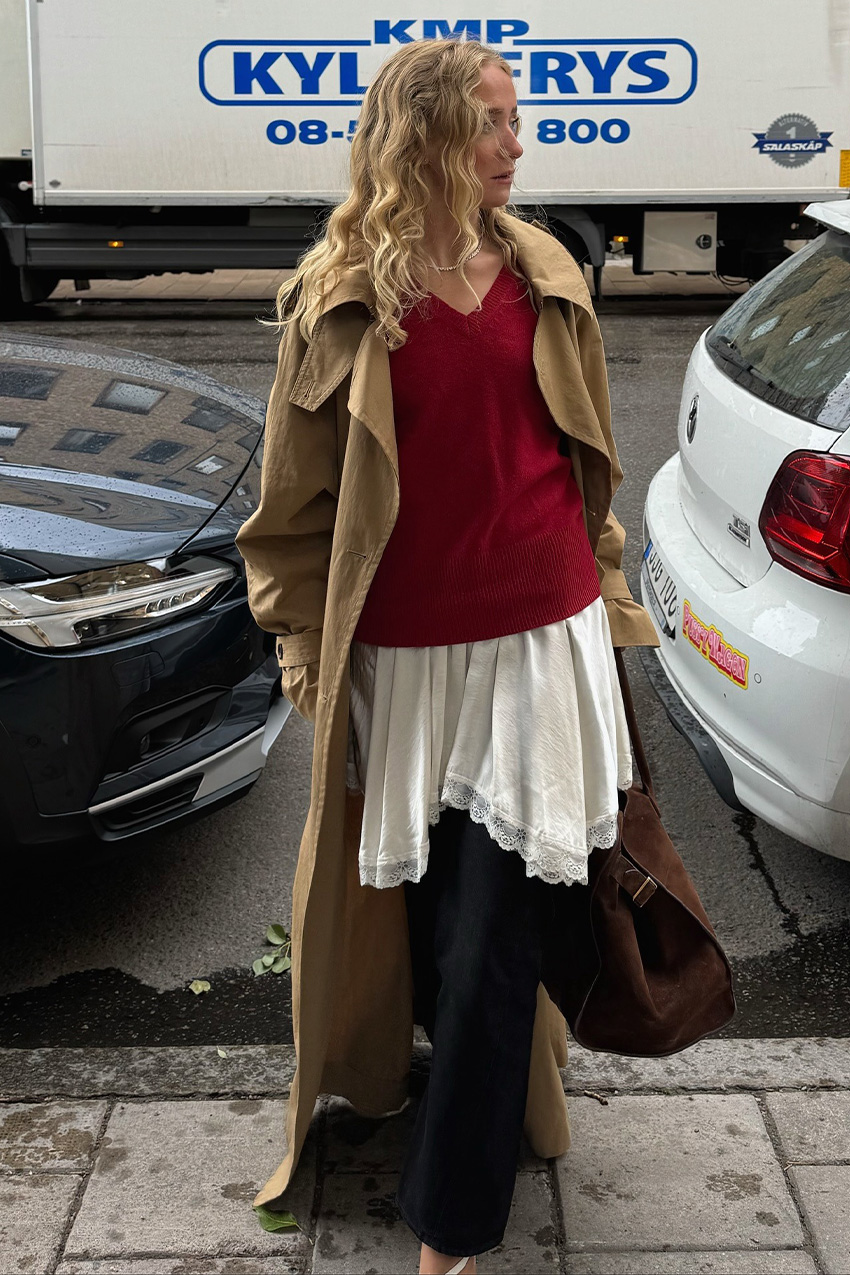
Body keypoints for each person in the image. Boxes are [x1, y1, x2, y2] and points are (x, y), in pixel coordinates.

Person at [235, 36, 659, 1275]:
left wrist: (612, 592)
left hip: (540, 646)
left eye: (515, 119)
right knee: (427, 912)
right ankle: (454, 1098)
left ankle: (453, 1226)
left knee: (497, 933)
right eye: (495, 121)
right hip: (409, 664)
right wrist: (309, 659)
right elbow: (290, 512)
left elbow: (589, 463)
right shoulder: (343, 296)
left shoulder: (546, 272)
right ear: (424, 134)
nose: (518, 143)